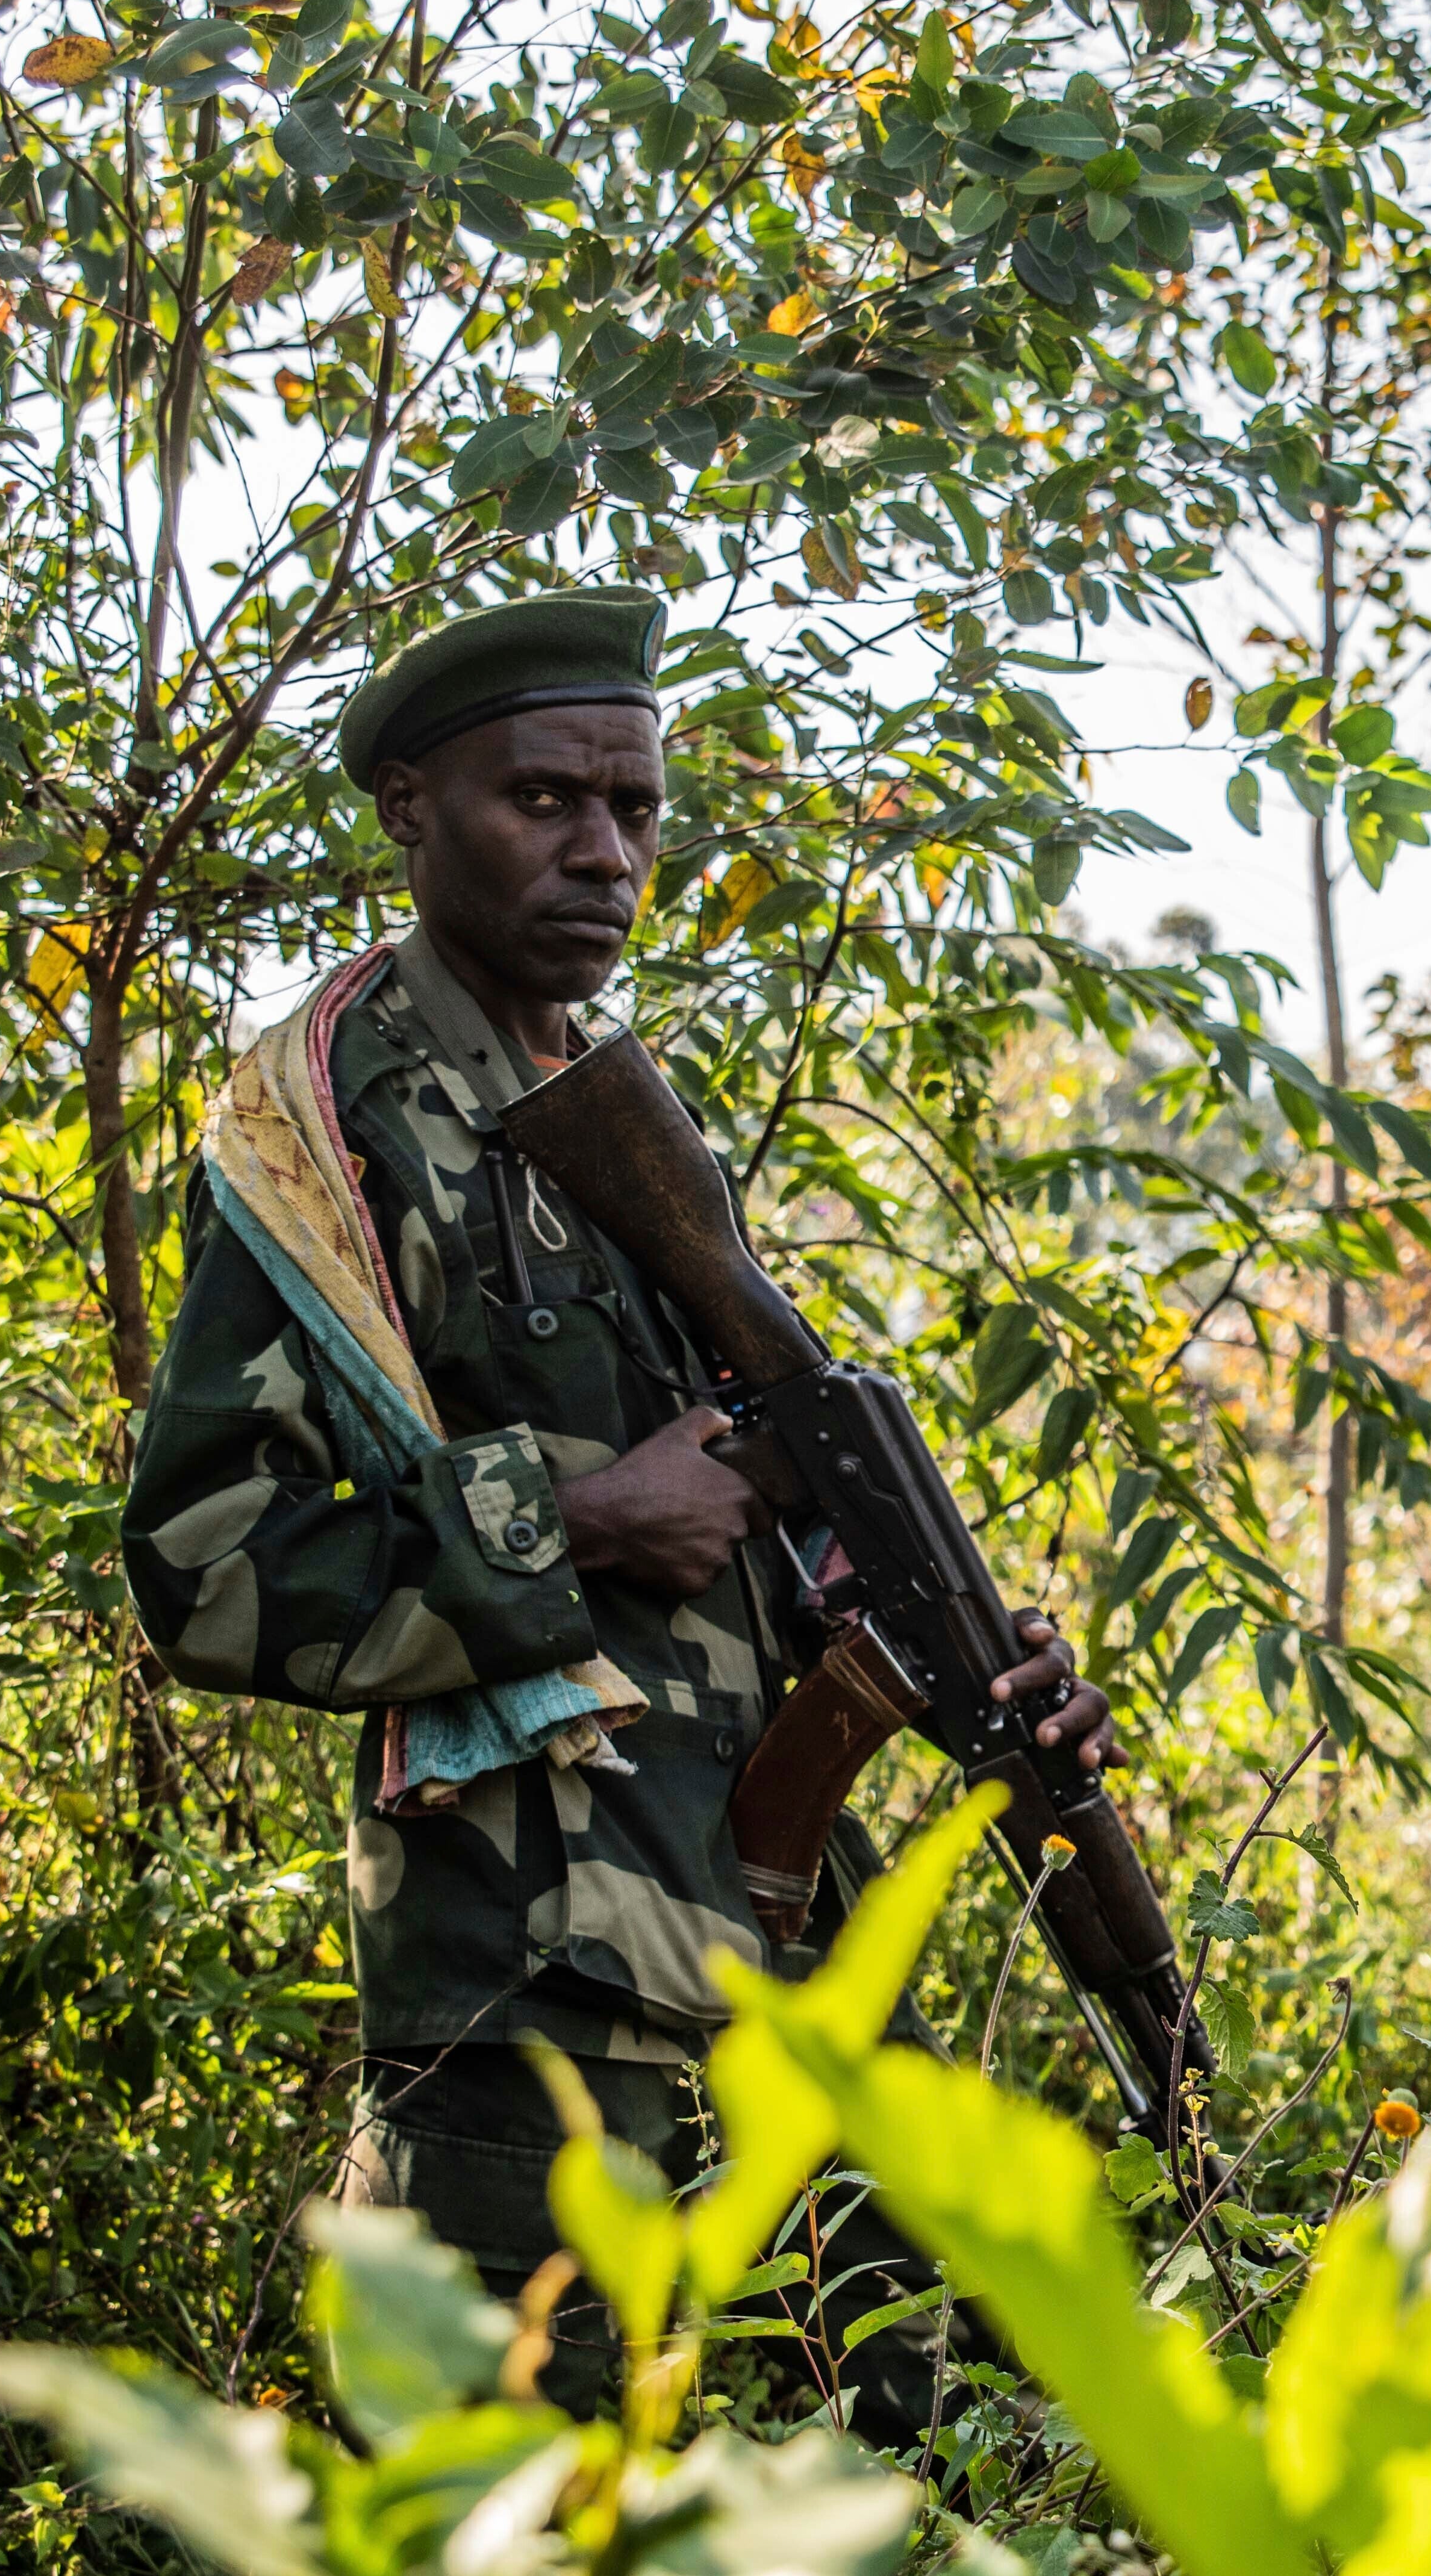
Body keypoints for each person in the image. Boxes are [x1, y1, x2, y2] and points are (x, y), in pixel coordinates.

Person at [120, 586, 1114, 2429]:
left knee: (881, 2445)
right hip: (530, 1975)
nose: (604, 851)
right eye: (544, 800)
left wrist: (960, 1654)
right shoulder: (331, 1112)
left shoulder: (609, 1108)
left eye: (637, 809)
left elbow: (753, 1504)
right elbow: (204, 1565)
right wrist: (573, 1520)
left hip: (774, 1923)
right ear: (411, 807)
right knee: (494, 2531)